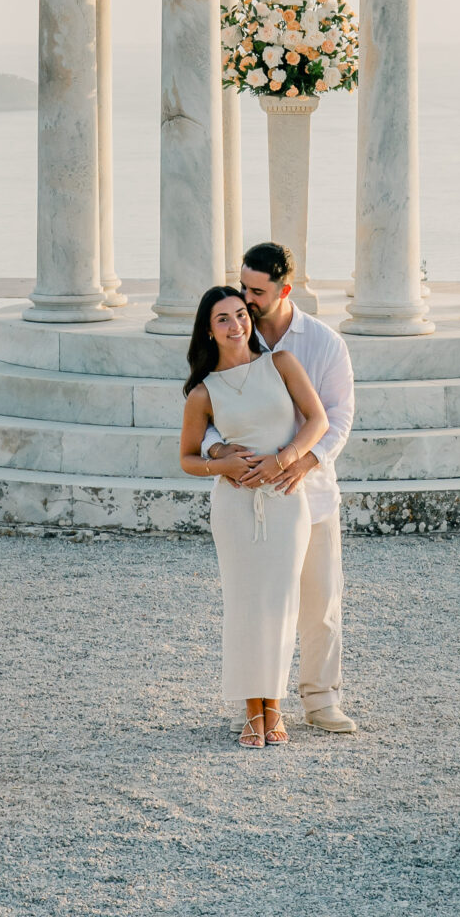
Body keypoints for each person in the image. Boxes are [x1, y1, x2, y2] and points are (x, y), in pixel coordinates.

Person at [204, 240, 359, 733]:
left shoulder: (323, 343)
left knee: (320, 602)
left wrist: (298, 461)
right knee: (259, 602)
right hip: (248, 495)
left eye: (256, 291)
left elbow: (337, 418)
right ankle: (264, 711)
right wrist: (217, 452)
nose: (244, 300)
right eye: (242, 287)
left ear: (284, 289)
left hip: (308, 491)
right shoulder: (229, 338)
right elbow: (208, 406)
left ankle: (321, 700)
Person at [178, 284, 329, 748]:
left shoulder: (280, 363)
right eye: (223, 318)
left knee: (281, 605)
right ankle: (251, 712)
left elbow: (318, 420)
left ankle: (276, 708)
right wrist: (221, 464)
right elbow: (186, 457)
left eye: (241, 314)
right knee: (244, 606)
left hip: (285, 501)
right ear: (208, 330)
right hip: (235, 508)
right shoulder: (203, 392)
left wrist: (283, 460)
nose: (236, 324)